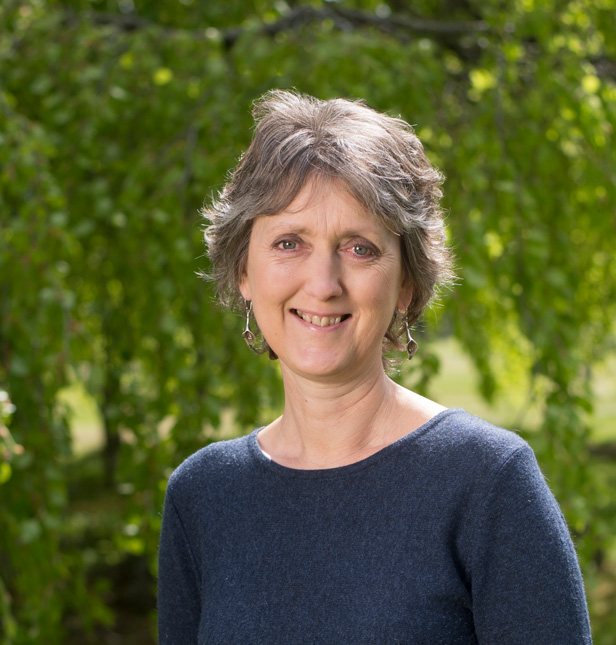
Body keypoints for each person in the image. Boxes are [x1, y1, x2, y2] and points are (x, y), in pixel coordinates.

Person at [158, 90, 592, 643]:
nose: (323, 284)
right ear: (243, 270)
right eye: (289, 242)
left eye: (359, 248)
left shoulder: (487, 482)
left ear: (407, 283)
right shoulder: (202, 495)